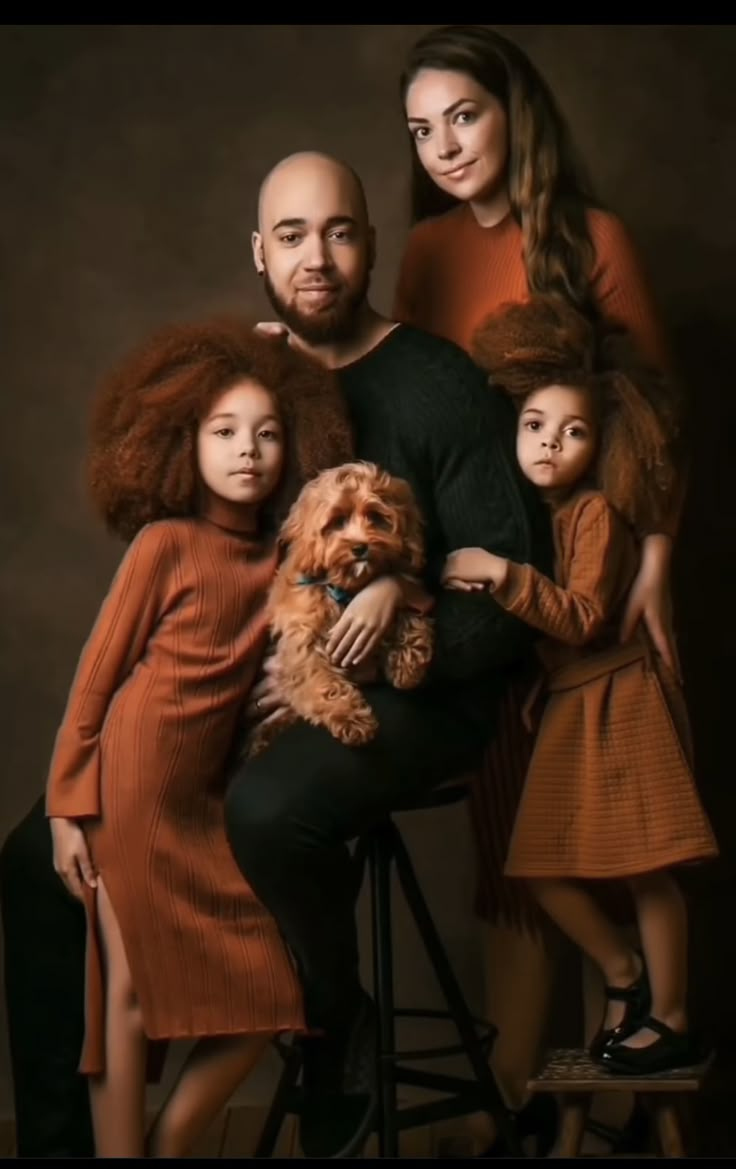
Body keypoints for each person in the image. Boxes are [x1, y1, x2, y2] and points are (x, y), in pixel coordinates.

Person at [0, 151, 549, 1159]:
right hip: (244, 691)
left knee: (265, 810)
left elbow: (509, 599)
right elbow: (193, 564)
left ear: (369, 242)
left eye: (338, 231)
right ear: (259, 251)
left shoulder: (441, 385)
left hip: (423, 684)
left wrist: (395, 597)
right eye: (291, 235)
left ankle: (340, 1030)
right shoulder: (256, 381)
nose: (316, 257)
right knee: (36, 862)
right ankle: (60, 1143)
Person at [393, 21, 686, 1147]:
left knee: (620, 835)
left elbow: (655, 419)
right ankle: (522, 1092)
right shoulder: (423, 252)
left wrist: (655, 564)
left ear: (514, 110)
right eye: (422, 130)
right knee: (517, 845)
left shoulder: (591, 235)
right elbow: (406, 407)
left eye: (463, 115)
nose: (445, 147)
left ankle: (625, 1088)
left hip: (600, 584)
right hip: (486, 593)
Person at [42, 318, 354, 1157]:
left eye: (267, 432)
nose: (247, 450)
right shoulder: (164, 544)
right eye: (224, 431)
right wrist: (67, 808)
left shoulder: (285, 562)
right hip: (130, 786)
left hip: (203, 801)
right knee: (130, 996)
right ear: (185, 443)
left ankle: (168, 1144)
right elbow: (96, 680)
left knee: (265, 989)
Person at [442, 294, 717, 1074]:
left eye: (573, 432)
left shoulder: (596, 511)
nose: (550, 444)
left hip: (622, 699)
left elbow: (583, 615)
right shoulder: (543, 513)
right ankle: (625, 971)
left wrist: (501, 576)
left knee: (647, 864)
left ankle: (673, 1016)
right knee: (539, 864)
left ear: (603, 444)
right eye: (534, 426)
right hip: (574, 703)